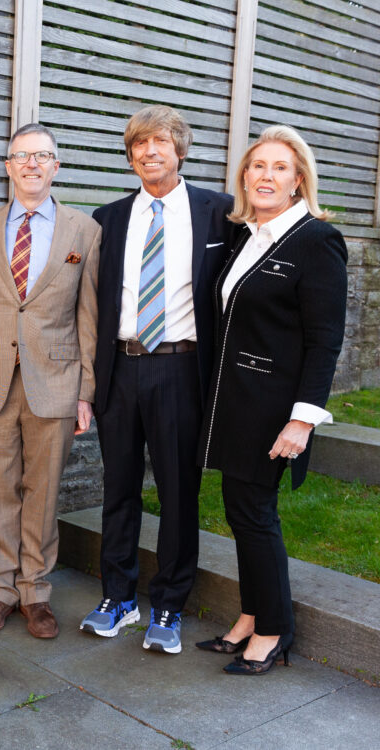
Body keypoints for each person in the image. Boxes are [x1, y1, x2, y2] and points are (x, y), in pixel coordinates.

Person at [81, 105, 234, 654]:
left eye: (160, 142)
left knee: (177, 491)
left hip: (180, 368)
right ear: (130, 157)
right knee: (118, 489)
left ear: (180, 150)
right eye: (139, 145)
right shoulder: (107, 218)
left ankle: (169, 603)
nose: (149, 152)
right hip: (121, 368)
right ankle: (118, 598)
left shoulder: (221, 213)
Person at [196, 125, 347, 675]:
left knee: (255, 514)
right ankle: (251, 615)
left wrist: (302, 420)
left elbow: (325, 339)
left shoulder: (316, 240)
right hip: (235, 403)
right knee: (240, 511)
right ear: (244, 177)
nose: (266, 176)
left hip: (274, 410)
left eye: (280, 167)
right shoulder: (247, 235)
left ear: (298, 180)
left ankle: (273, 629)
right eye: (257, 166)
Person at [0, 124, 100, 639]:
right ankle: (0, 591)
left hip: (56, 382)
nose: (31, 164)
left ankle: (36, 593)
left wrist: (85, 391)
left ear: (56, 166)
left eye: (42, 156)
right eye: (21, 156)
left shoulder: (84, 230)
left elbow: (88, 315)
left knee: (42, 494)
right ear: (8, 166)